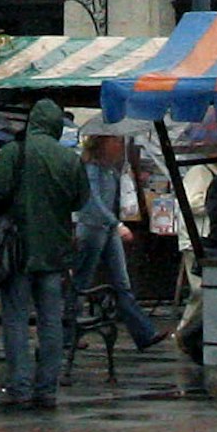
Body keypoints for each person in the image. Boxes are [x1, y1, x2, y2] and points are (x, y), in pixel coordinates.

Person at [0, 100, 90, 412]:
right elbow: (80, 199)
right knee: (51, 322)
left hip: (18, 252)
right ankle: (46, 389)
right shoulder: (69, 159)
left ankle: (19, 387)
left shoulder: (15, 152)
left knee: (15, 320)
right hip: (54, 254)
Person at [76, 131, 168, 358]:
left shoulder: (111, 169)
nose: (120, 145)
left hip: (107, 229)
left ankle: (144, 333)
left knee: (121, 282)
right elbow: (93, 199)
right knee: (81, 281)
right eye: (116, 140)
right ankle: (69, 332)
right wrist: (115, 223)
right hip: (93, 228)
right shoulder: (92, 169)